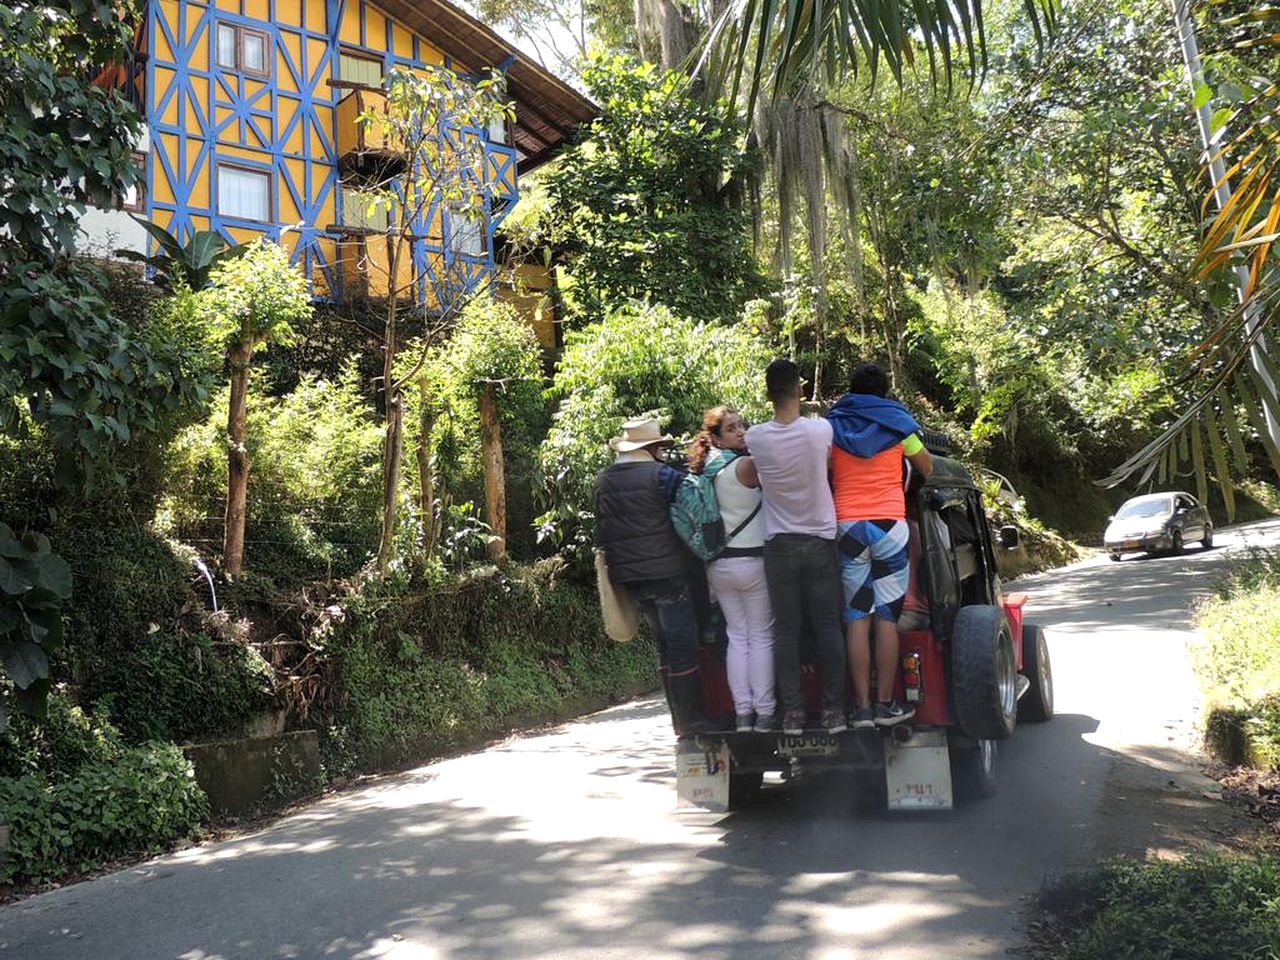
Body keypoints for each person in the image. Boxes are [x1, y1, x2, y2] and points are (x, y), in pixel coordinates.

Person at [595, 417, 718, 736]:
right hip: (668, 574)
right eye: (660, 447)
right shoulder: (660, 475)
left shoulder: (604, 479)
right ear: (651, 448)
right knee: (683, 644)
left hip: (632, 579)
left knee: (664, 644)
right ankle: (691, 720)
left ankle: (680, 720)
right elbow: (690, 509)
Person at [826, 362, 933, 729]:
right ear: (884, 392)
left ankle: (862, 707)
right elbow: (927, 467)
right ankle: (886, 704)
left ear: (852, 391)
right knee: (887, 618)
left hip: (849, 526)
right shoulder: (900, 426)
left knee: (857, 619)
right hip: (890, 526)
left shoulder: (832, 427)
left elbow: (825, 466)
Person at [746, 360, 848, 736]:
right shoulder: (820, 430)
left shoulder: (756, 437)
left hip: (779, 545)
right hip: (820, 539)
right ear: (800, 391)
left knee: (785, 631)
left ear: (768, 394)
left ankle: (792, 714)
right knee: (827, 626)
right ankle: (834, 711)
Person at [688, 406, 776, 733]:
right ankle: (764, 712)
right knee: (761, 636)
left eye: (742, 426)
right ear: (716, 437)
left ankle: (743, 714)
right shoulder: (745, 466)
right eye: (732, 429)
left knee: (737, 637)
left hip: (718, 566)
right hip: (752, 562)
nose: (741, 432)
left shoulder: (703, 470)